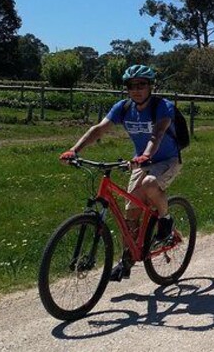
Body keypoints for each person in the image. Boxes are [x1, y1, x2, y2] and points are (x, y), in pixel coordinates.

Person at [59, 64, 183, 281]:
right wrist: (74, 150)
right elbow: (98, 129)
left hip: (167, 159)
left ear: (150, 86)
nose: (136, 90)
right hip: (140, 162)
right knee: (130, 216)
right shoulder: (124, 108)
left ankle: (166, 220)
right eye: (131, 86)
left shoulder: (162, 106)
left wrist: (146, 155)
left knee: (150, 184)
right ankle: (126, 261)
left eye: (142, 84)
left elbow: (158, 133)